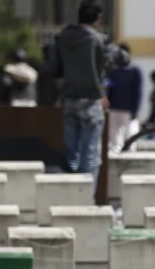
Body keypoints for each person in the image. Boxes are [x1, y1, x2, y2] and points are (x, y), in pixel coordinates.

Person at [52, 1, 110, 175]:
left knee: (71, 153)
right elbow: (106, 65)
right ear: (97, 18)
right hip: (91, 100)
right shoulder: (97, 39)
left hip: (69, 98)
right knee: (90, 153)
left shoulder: (62, 37)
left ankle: (70, 195)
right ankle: (85, 197)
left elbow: (57, 69)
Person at [106, 43, 142, 152]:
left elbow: (137, 92)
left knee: (129, 132)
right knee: (114, 134)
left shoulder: (134, 71)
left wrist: (135, 109)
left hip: (127, 109)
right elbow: (109, 88)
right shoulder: (113, 71)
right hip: (115, 107)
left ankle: (129, 151)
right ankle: (116, 150)